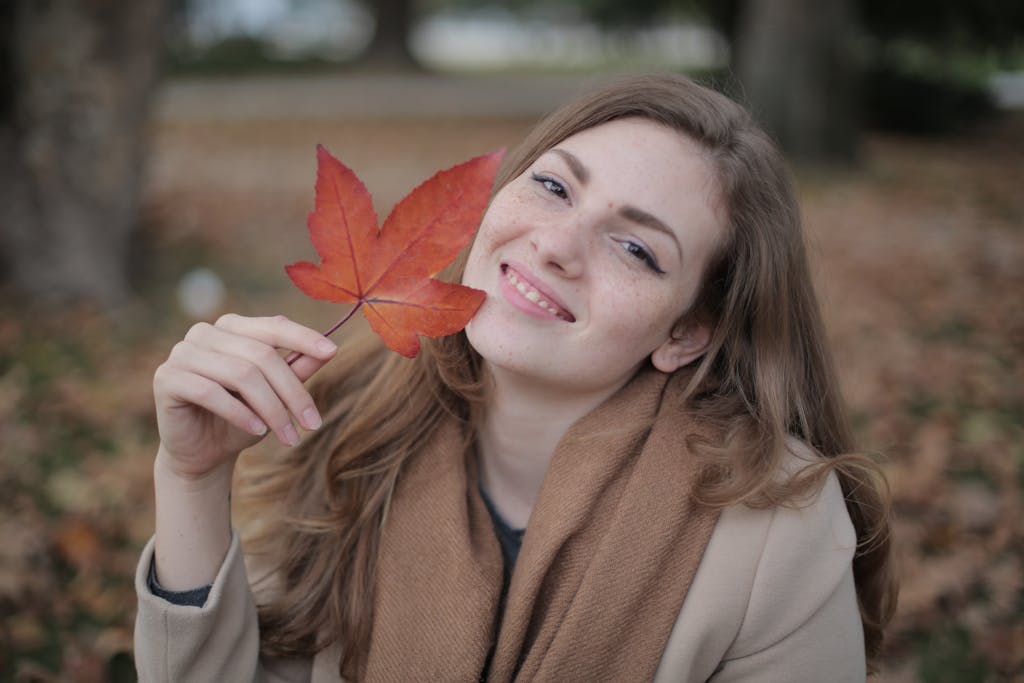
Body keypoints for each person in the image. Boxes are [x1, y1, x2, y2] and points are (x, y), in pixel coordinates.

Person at [135, 73, 896, 682]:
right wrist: (193, 476)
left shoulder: (775, 527)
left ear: (685, 332)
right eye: (555, 187)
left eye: (636, 249)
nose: (557, 243)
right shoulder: (335, 417)